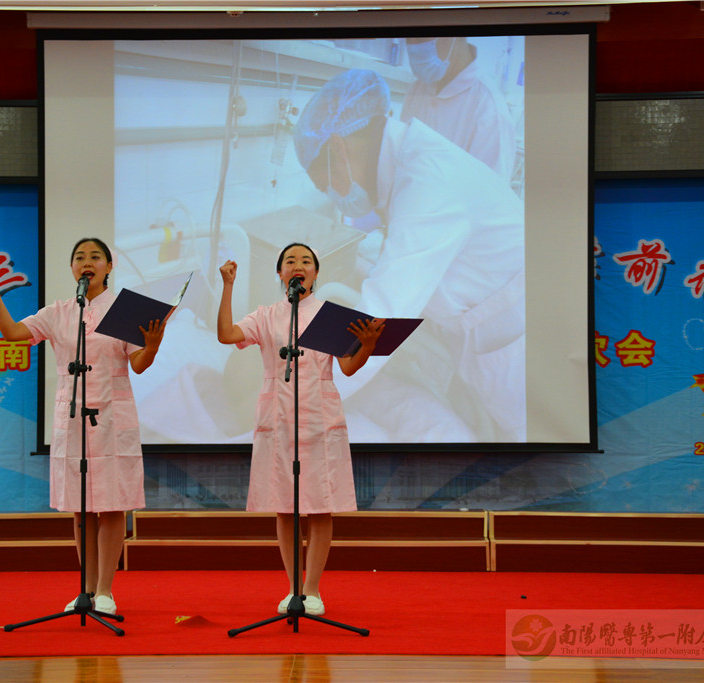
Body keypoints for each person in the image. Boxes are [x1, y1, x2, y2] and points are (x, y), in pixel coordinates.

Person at [293, 68, 525, 442]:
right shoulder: (411, 165)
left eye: (326, 185)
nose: (333, 197)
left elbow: (379, 319)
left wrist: (294, 390)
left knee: (532, 439)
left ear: (338, 149)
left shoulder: (427, 182)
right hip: (487, 331)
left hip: (518, 344)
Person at [0, 237, 165, 616]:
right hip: (73, 419)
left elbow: (139, 364)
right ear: (71, 268)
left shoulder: (125, 310)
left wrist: (152, 344)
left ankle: (106, 592)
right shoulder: (59, 312)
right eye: (80, 256)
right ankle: (86, 588)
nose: (87, 262)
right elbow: (13, 333)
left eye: (96, 256)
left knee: (112, 506)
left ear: (109, 267)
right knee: (82, 509)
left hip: (113, 419)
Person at [217, 243, 384, 616]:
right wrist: (228, 286)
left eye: (306, 261)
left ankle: (313, 591)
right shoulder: (266, 315)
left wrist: (367, 346)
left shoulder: (329, 316)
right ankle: (293, 588)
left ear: (316, 273)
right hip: (278, 418)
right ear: (280, 273)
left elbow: (348, 367)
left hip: (320, 419)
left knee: (320, 507)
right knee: (285, 506)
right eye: (290, 261)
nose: (298, 265)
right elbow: (227, 334)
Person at [401, 37, 517, 183]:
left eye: (422, 37)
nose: (413, 46)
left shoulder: (489, 110)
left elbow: (487, 194)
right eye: (408, 39)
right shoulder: (417, 89)